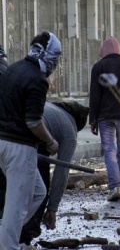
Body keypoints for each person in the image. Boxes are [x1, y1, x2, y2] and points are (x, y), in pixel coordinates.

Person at [0, 31, 62, 250]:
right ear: (49, 56)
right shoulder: (37, 80)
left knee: (38, 192)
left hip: (3, 143)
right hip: (20, 149)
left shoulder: (13, 69)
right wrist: (51, 142)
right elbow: (34, 121)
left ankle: (6, 235)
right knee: (15, 208)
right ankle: (7, 245)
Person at [0, 101, 89, 250]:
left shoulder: (53, 109)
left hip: (9, 136)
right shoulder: (70, 130)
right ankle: (23, 239)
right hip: (33, 139)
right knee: (39, 191)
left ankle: (8, 231)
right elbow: (62, 172)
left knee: (8, 186)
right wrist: (52, 208)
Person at [89, 36, 120, 202]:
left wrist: (93, 119)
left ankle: (114, 187)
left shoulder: (99, 67)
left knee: (109, 150)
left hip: (105, 116)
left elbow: (95, 95)